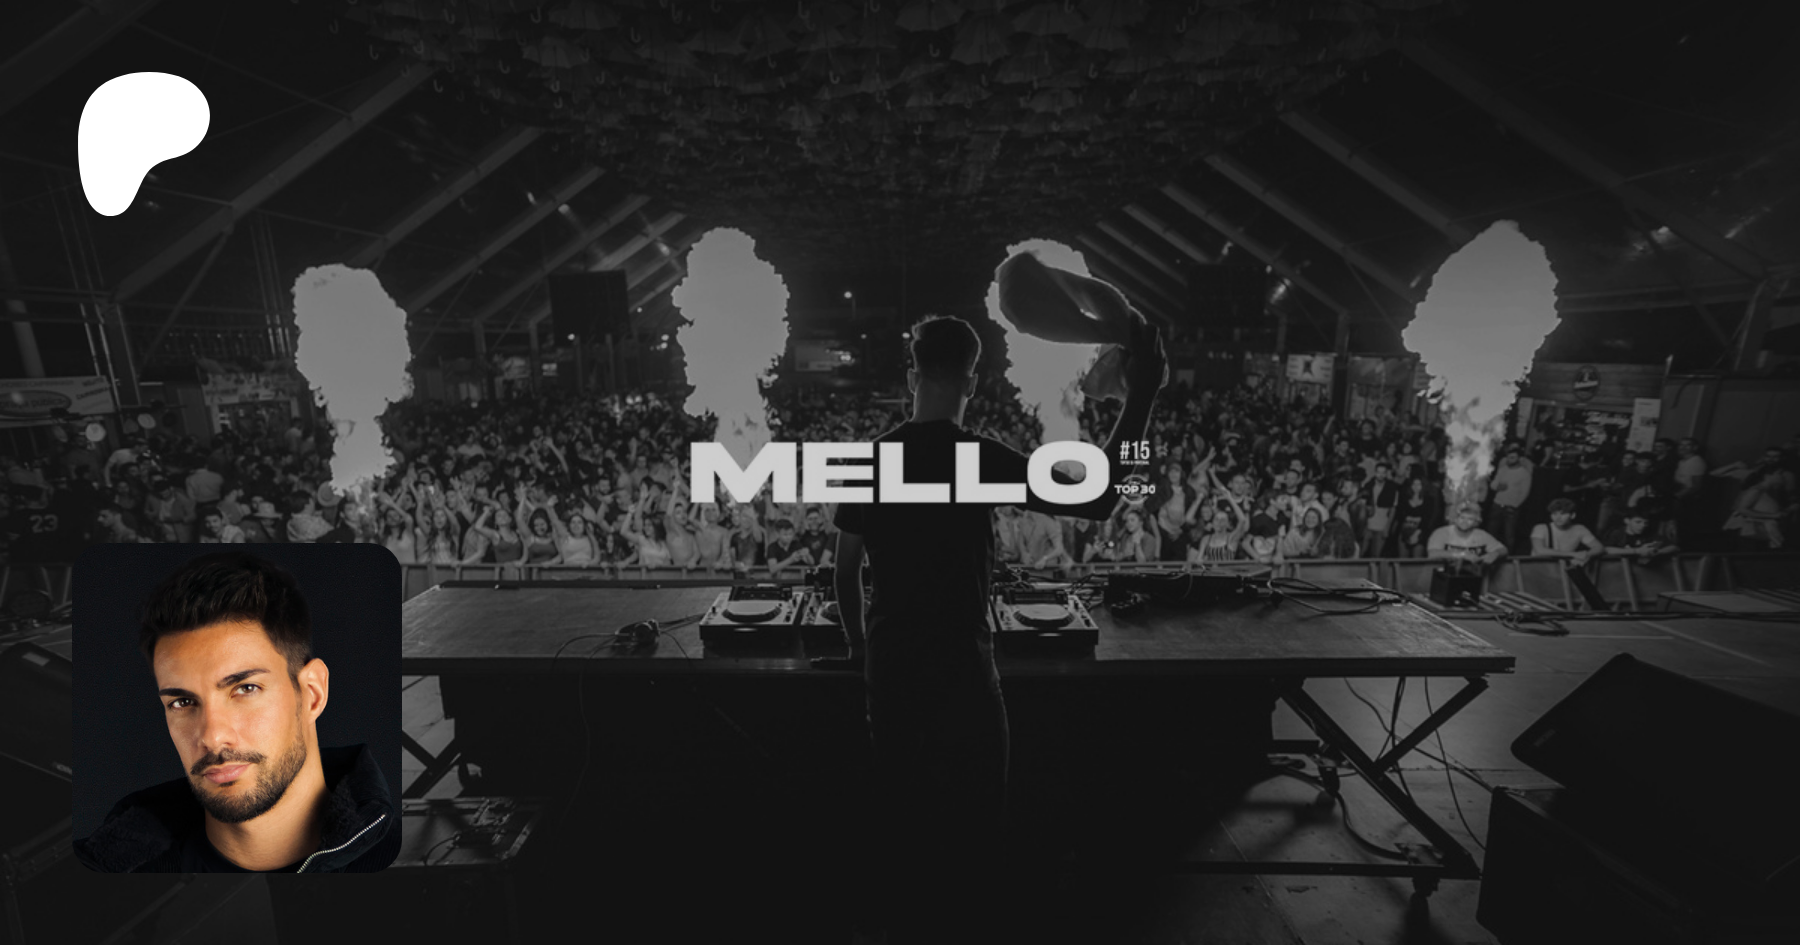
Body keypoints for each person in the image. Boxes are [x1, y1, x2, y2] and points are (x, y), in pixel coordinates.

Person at [831, 311, 1163, 942]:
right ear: (973, 383)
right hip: (962, 667)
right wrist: (1142, 395)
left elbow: (845, 573)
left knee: (899, 819)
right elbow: (1099, 499)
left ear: (912, 377)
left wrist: (856, 646)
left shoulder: (871, 460)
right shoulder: (978, 458)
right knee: (976, 825)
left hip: (890, 669)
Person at [74, 552, 396, 872]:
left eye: (245, 689)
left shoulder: (402, 861)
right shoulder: (108, 875)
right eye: (183, 703)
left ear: (312, 694)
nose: (212, 737)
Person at [1530, 497, 1610, 610]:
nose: (1558, 517)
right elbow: (1540, 550)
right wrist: (1574, 554)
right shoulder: (1541, 528)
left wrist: (1587, 555)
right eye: (1554, 514)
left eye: (1562, 514)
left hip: (1561, 575)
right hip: (1538, 573)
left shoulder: (1579, 529)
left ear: (1572, 515)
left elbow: (1599, 548)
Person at [1428, 502, 1508, 573]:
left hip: (1473, 576)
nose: (1464, 522)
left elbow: (1503, 550)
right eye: (1462, 518)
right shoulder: (1442, 532)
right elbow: (1433, 554)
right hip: (1444, 575)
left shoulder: (1482, 535)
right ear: (1455, 519)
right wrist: (1461, 555)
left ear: (1476, 522)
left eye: (1470, 519)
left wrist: (1495, 554)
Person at [1487, 443, 1533, 553]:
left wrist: (1515, 505)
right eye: (1508, 457)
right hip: (1497, 504)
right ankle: (1488, 552)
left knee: (1509, 534)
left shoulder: (1524, 474)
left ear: (1519, 459)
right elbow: (1493, 484)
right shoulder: (1503, 469)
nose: (1509, 460)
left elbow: (1525, 492)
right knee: (1491, 532)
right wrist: (1497, 486)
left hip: (1511, 507)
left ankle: (1509, 556)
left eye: (1512, 458)